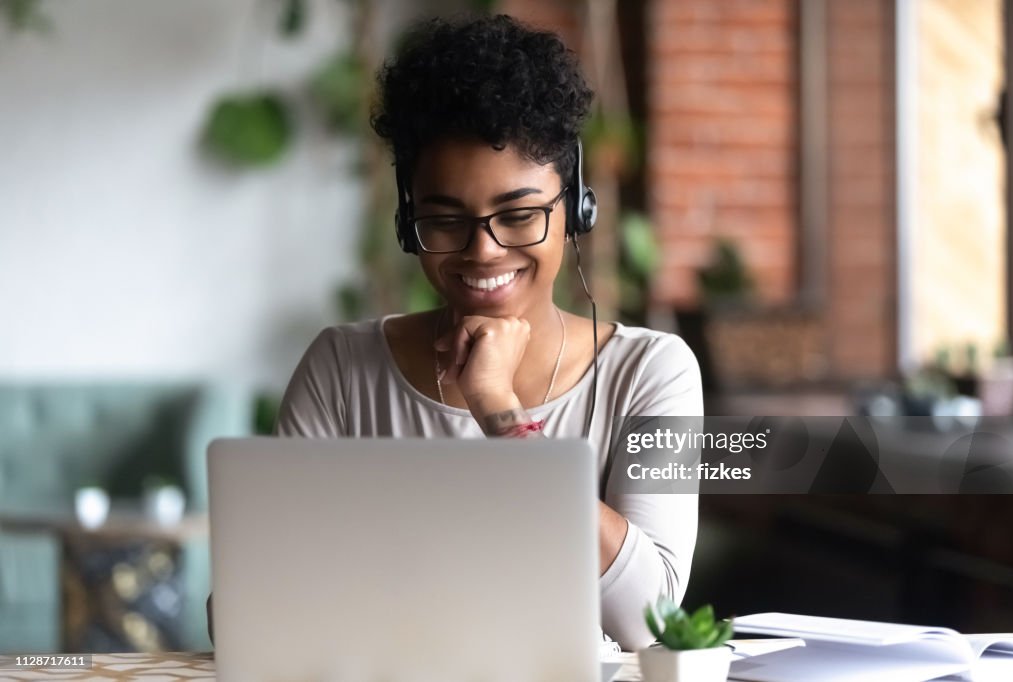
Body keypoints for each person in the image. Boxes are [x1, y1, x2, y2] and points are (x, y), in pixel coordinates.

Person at [211, 13, 701, 652]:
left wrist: (499, 410)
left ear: (576, 207)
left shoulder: (651, 372)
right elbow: (247, 619)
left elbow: (650, 620)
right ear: (407, 219)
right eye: (445, 221)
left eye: (519, 215)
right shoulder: (341, 368)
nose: (483, 251)